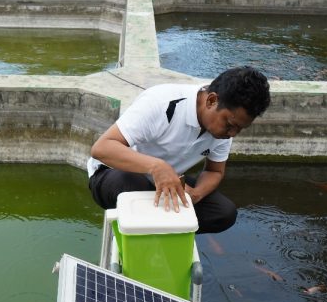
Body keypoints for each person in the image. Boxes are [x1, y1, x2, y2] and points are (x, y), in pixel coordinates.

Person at [87, 66, 271, 234]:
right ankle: (151, 237)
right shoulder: (162, 102)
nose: (232, 134)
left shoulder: (223, 130)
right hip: (113, 174)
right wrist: (156, 166)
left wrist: (196, 194)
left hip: (167, 181)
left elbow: (214, 171)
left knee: (224, 212)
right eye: (230, 125)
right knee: (133, 185)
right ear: (212, 100)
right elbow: (102, 148)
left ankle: (165, 232)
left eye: (239, 129)